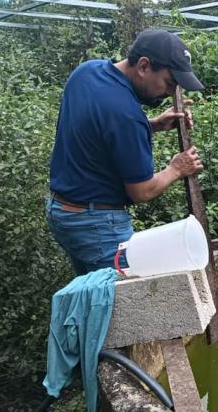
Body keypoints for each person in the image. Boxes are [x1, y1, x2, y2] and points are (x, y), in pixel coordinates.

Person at [46, 29, 205, 276]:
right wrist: (177, 168)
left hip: (62, 211)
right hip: (96, 224)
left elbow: (96, 130)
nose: (170, 93)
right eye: (169, 83)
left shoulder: (87, 72)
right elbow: (141, 191)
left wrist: (151, 125)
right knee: (127, 303)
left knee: (92, 292)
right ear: (143, 66)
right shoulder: (127, 116)